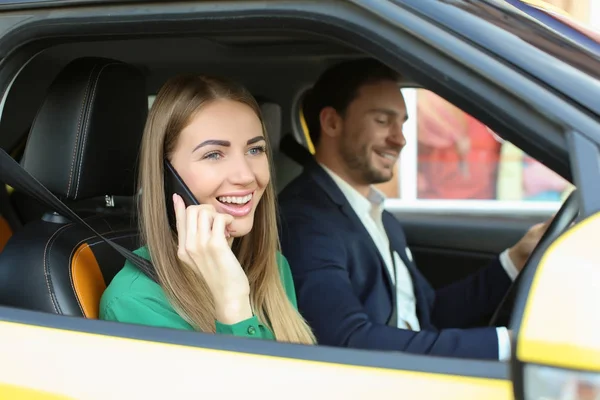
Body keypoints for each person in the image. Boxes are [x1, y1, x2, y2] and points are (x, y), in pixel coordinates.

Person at [278, 58, 550, 359]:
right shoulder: (305, 220)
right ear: (331, 122)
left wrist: (515, 259)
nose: (400, 139)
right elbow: (344, 339)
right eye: (382, 121)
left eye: (402, 123)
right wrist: (507, 346)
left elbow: (425, 312)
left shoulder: (380, 216)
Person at [100, 75, 315, 345]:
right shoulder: (135, 302)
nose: (246, 176)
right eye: (213, 154)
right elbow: (254, 387)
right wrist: (232, 302)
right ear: (167, 177)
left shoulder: (272, 267)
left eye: (255, 149)